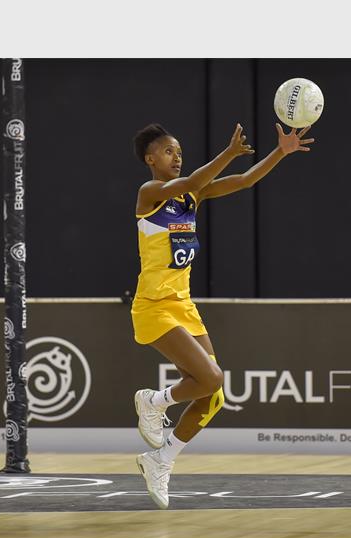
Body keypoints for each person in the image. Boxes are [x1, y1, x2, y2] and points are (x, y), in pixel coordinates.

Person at [131, 122, 314, 509]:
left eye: (179, 151)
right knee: (211, 377)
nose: (176, 156)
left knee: (213, 396)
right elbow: (194, 179)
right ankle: (154, 400)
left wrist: (281, 151)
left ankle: (160, 459)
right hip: (154, 305)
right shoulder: (150, 193)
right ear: (150, 159)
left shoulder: (192, 196)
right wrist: (228, 152)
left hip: (184, 306)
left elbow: (245, 181)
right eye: (168, 151)